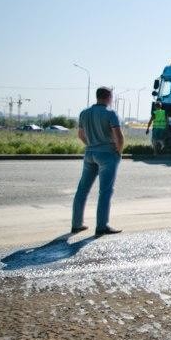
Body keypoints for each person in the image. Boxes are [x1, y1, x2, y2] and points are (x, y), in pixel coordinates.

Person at [72, 86, 124, 236]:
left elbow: (80, 135)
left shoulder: (84, 113)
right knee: (105, 191)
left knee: (82, 189)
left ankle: (76, 224)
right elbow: (119, 137)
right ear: (109, 97)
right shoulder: (110, 113)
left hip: (90, 153)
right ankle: (102, 226)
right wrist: (118, 152)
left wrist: (91, 145)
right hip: (108, 154)